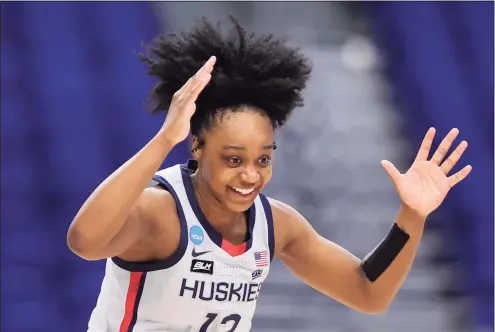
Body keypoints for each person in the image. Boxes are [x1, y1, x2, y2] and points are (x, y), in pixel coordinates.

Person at [67, 17, 472, 332]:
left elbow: (368, 293)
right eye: (233, 159)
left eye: (263, 159)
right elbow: (85, 242)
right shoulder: (162, 211)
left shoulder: (275, 224)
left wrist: (412, 216)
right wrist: (163, 139)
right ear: (197, 146)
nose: (250, 175)